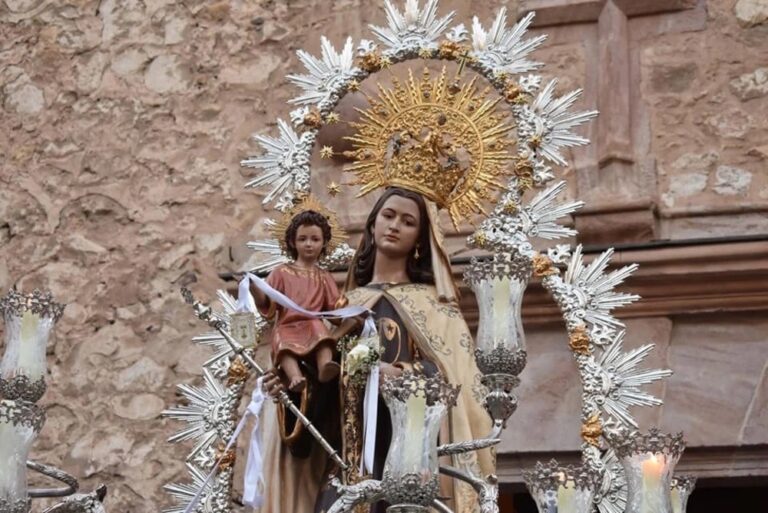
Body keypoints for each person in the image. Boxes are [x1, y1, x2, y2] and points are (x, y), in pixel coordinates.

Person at [258, 188, 494, 513]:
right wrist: (293, 389)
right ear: (372, 224)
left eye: (408, 221)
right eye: (388, 215)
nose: (395, 225)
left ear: (420, 239)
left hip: (410, 474)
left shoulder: (436, 309)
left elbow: (458, 386)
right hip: (346, 476)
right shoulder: (343, 309)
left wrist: (400, 374)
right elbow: (323, 401)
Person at [250, 209, 341, 393]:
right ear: (292, 242)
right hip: (287, 325)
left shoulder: (323, 276)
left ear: (324, 243)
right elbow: (267, 302)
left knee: (321, 332)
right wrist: (253, 289)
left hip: (311, 322)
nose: (309, 244)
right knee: (282, 342)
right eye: (303, 239)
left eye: (315, 239)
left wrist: (347, 308)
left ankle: (325, 366)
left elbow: (334, 309)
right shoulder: (281, 272)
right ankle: (295, 377)